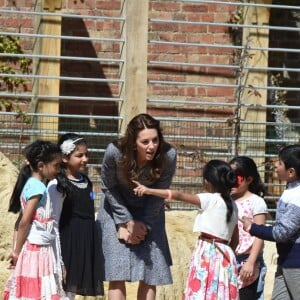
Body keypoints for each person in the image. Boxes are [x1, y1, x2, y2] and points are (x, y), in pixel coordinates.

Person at [96, 113, 177, 300]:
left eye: (155, 140)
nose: (152, 146)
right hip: (116, 205)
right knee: (117, 271)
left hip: (151, 208)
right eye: (145, 142)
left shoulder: (168, 156)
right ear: (133, 143)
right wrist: (125, 221)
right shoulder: (114, 152)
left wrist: (144, 226)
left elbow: (160, 193)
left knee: (151, 271)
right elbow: (108, 186)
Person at [134, 159, 240, 300]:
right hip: (226, 255)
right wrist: (226, 254)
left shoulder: (210, 199)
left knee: (202, 291)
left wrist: (149, 190)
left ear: (207, 182)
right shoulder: (234, 206)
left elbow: (178, 195)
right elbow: (235, 239)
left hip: (208, 252)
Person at [3, 140, 66, 300]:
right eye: (56, 165)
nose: (58, 170)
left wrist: (17, 249)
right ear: (41, 166)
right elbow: (25, 221)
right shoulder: (38, 188)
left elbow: (20, 222)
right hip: (37, 252)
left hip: (34, 249)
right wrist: (16, 252)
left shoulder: (30, 184)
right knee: (38, 292)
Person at [47, 133, 104, 299]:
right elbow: (54, 221)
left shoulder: (86, 181)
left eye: (86, 154)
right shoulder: (57, 185)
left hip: (84, 242)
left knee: (72, 291)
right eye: (79, 155)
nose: (85, 159)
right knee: (62, 288)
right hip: (67, 243)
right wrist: (59, 258)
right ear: (64, 158)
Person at [241, 144, 300, 300]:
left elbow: (282, 232)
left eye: (280, 163)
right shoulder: (291, 190)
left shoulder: (297, 197)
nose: (275, 165)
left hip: (296, 263)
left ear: (291, 172)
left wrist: (252, 227)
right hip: (286, 260)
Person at [229, 156, 268, 300]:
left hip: (248, 262)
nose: (232, 181)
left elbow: (260, 235)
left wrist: (251, 262)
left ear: (249, 179)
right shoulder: (227, 200)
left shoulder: (256, 202)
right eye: (229, 177)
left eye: (236, 178)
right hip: (230, 260)